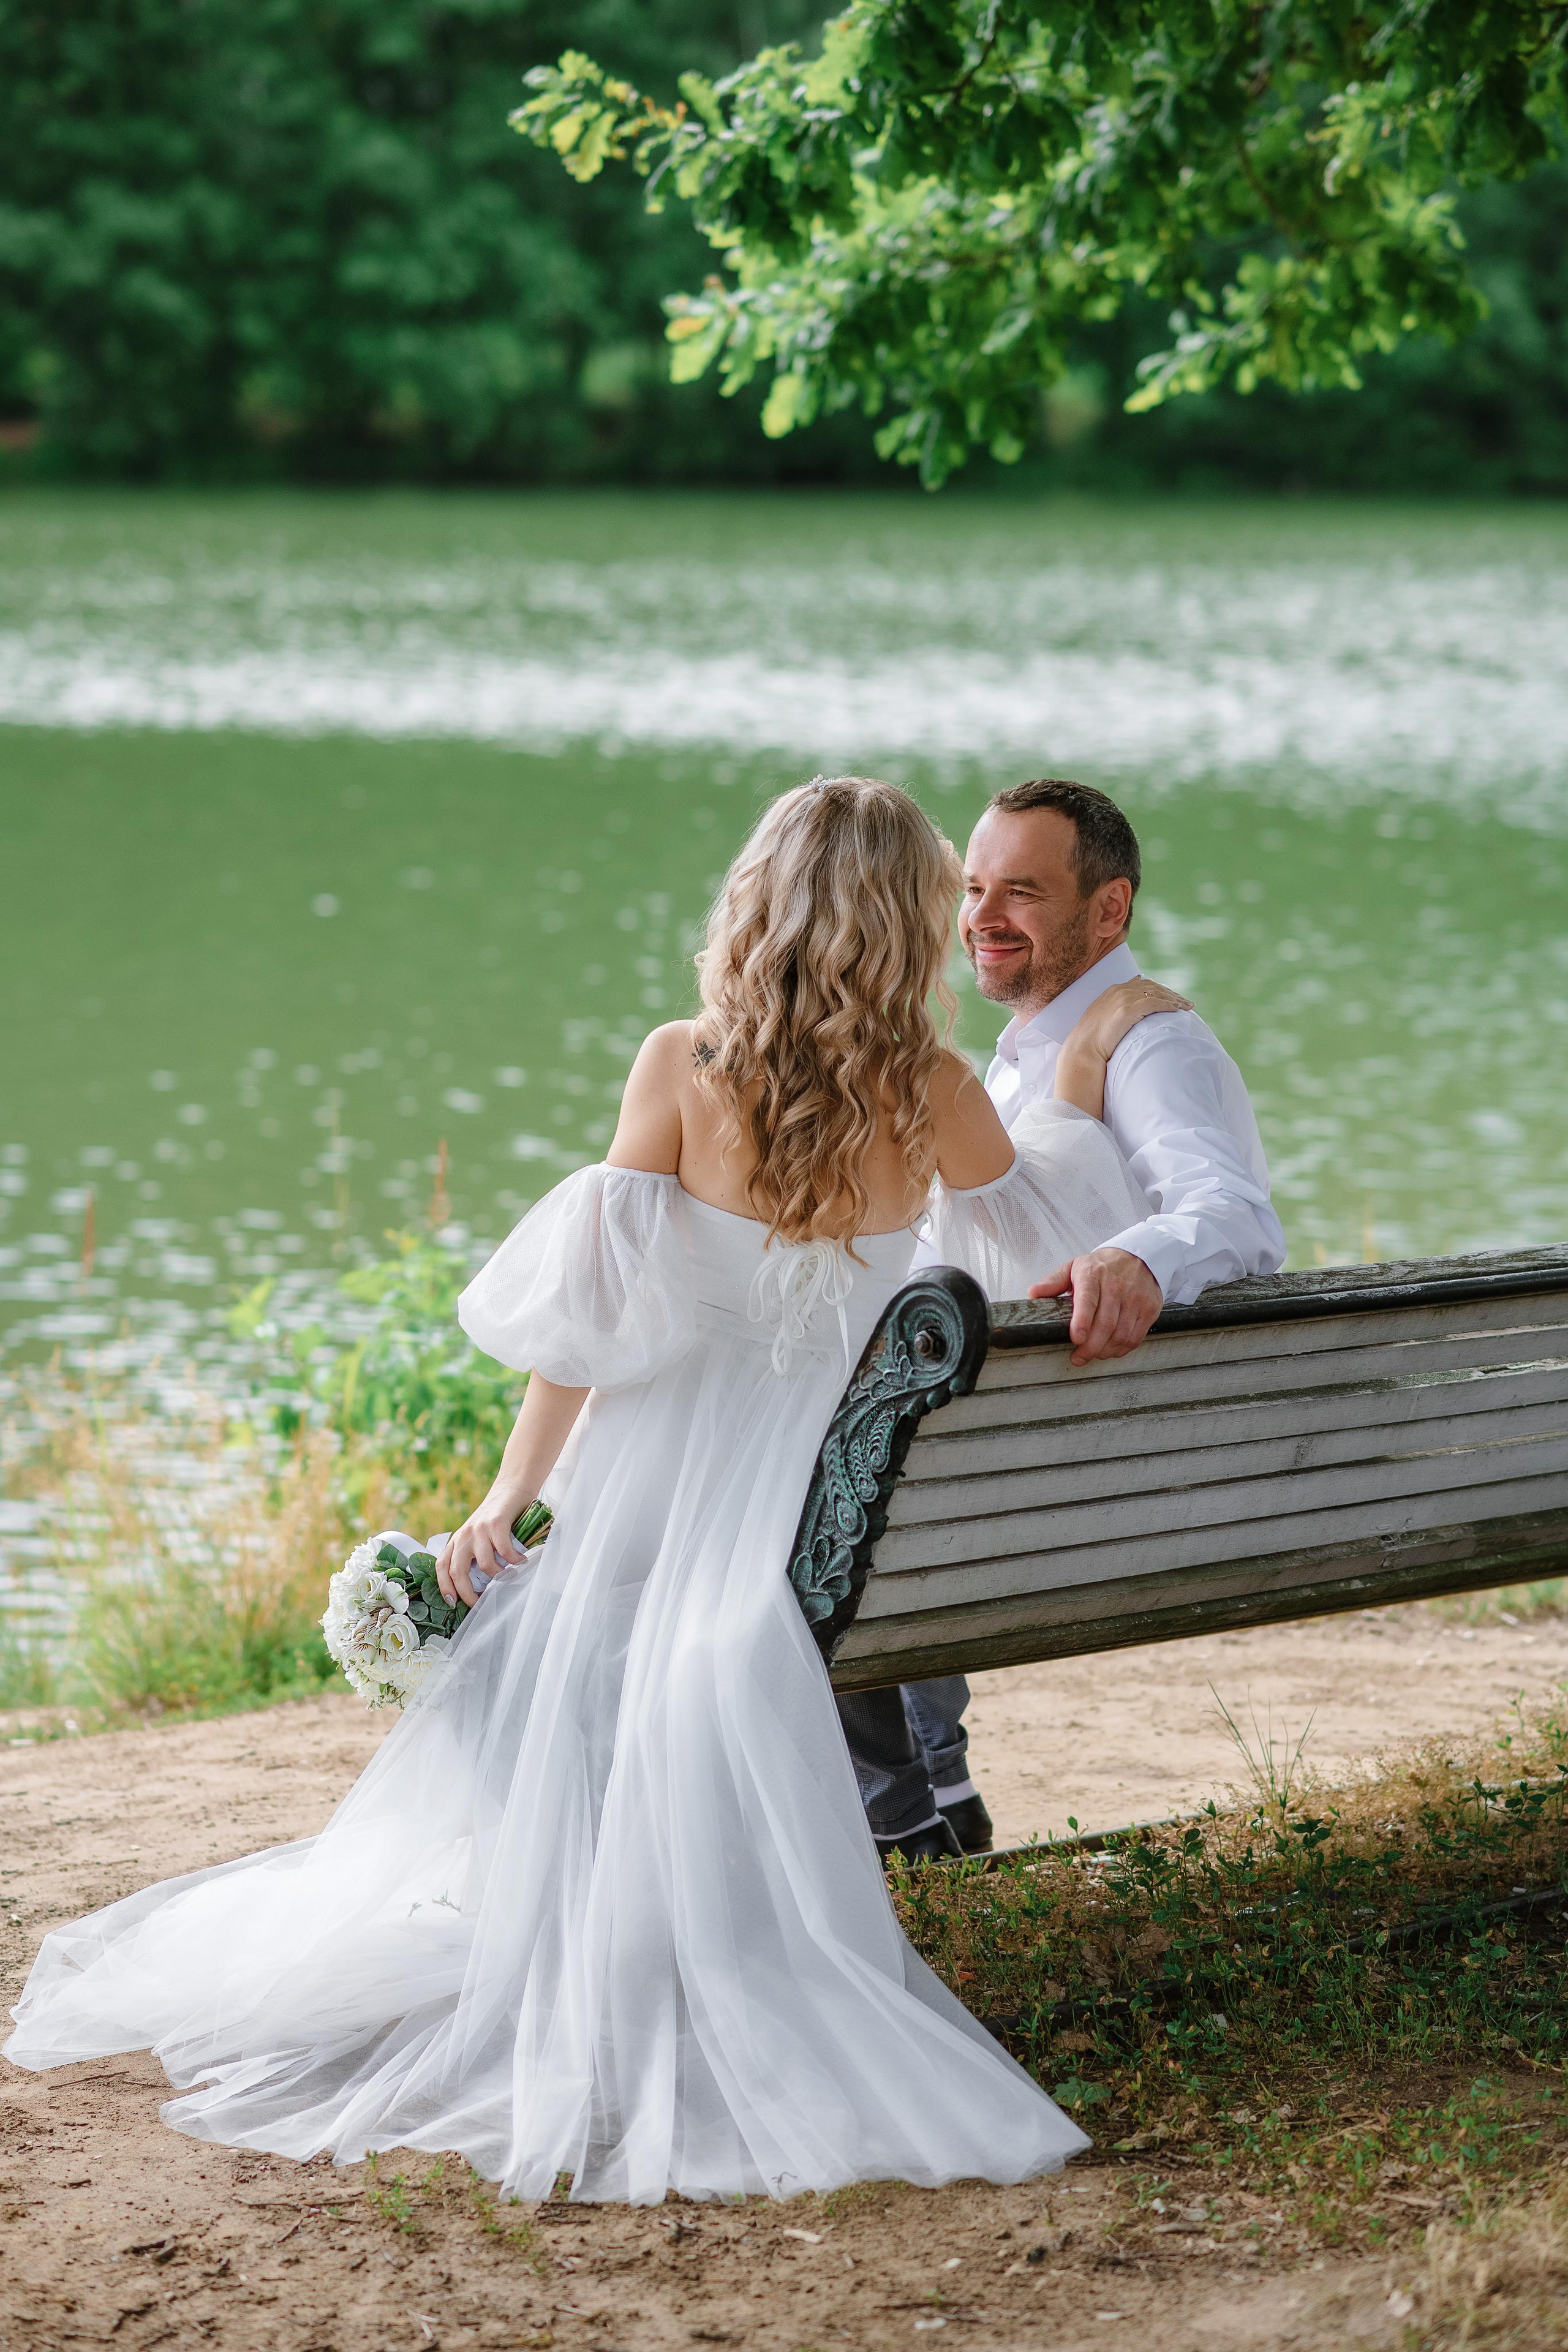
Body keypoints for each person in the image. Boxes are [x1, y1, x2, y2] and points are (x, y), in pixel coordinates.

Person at [8, 778, 1178, 2207]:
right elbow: (1053, 1226)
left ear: (762, 904)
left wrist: (510, 1496)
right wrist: (1088, 1056)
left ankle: (585, 1933)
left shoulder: (681, 1066)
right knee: (690, 1648)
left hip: (653, 1479)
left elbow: (584, 1320)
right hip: (813, 1509)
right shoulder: (934, 1088)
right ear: (898, 922)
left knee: (578, 1646)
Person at [842, 777, 1286, 1864]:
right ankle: (935, 1783)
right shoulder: (1037, 1047)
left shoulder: (1149, 1043)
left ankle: (898, 1812)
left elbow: (1234, 1214)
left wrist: (1141, 1254)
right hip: (1022, 1457)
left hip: (1069, 1477)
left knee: (809, 1476)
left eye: (1023, 893)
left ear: (1108, 910)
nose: (984, 918)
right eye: (975, 888)